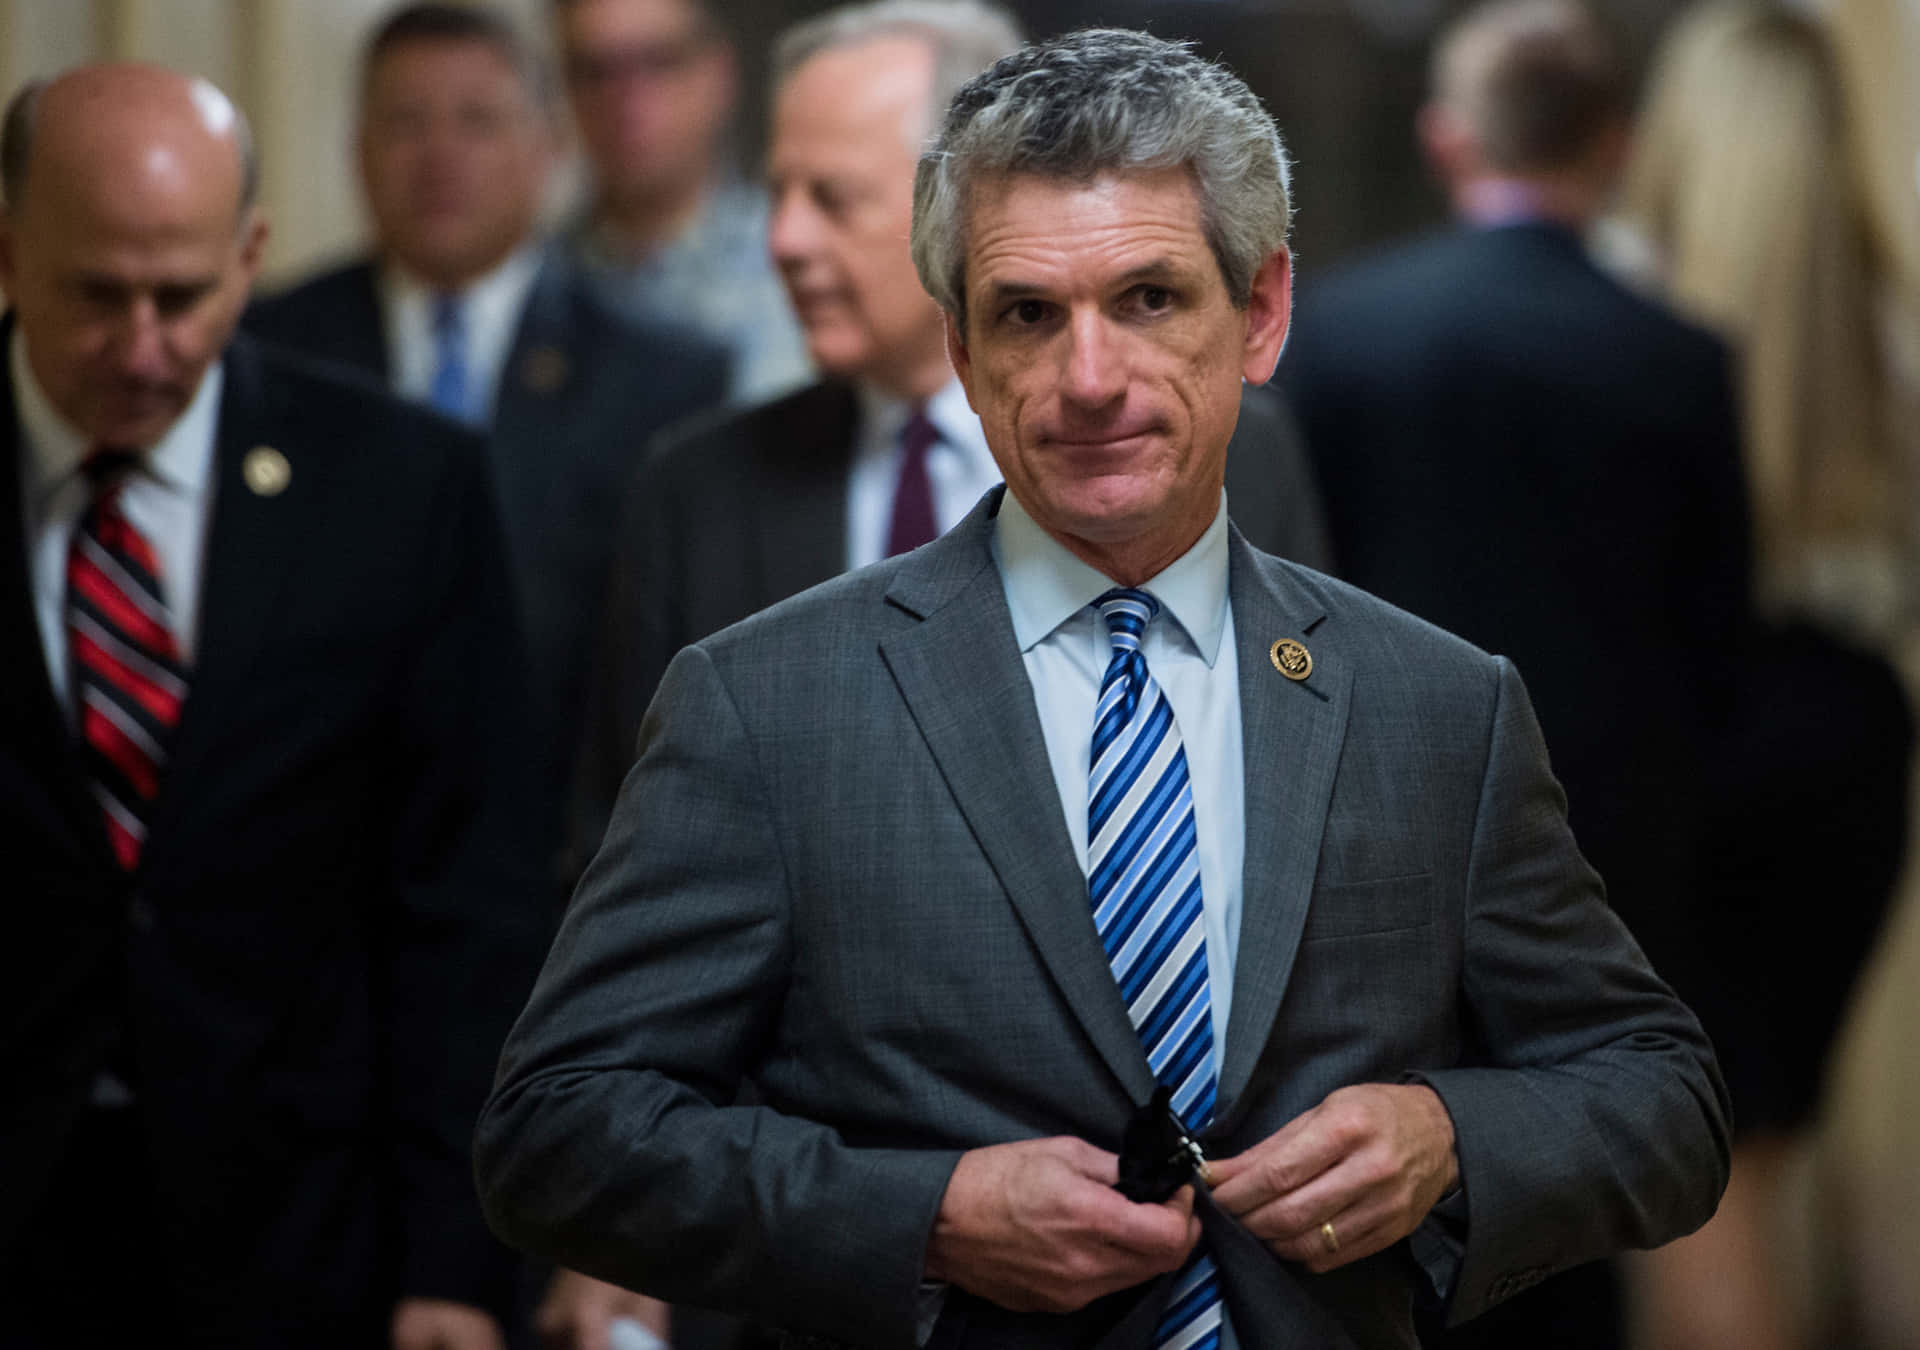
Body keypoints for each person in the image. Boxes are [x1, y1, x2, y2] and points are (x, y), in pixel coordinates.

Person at [476, 27, 1729, 1349]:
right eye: (1029, 313)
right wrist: (924, 1212)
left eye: (1148, 298)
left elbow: (1664, 1095)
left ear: (1259, 315)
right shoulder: (768, 703)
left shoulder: (1437, 706)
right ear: (962, 350)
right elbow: (555, 1126)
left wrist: (1450, 1135)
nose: (1089, 379)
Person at [0, 64, 544, 1349]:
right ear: (10, 252)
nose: (143, 346)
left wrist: (458, 1265)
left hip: (305, 1235)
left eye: (183, 296)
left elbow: (469, 901)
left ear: (248, 256)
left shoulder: (403, 486)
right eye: (95, 294)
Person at [571, 0, 1331, 859]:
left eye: (833, 197)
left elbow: (1304, 766)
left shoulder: (1219, 446)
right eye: (777, 191)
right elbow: (627, 841)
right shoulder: (697, 486)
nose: (784, 238)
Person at [1279, 8, 1752, 1340]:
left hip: (1359, 857)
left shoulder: (1340, 335)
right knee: (1567, 1220)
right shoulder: (1684, 361)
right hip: (1614, 865)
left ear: (1445, 141)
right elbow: (1719, 654)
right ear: (1618, 145)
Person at [246, 1, 728, 895]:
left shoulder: (662, 376)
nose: (440, 155)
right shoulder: (269, 350)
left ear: (550, 145)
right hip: (301, 873)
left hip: (557, 876)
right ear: (356, 150)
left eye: (477, 120)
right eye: (406, 122)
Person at [1610, 6, 1914, 1346]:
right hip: (1855, 738)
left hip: (1681, 743)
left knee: (1702, 1190)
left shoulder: (1616, 319)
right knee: (1807, 1155)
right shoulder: (1884, 328)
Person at [554, 0, 811, 403]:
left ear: (719, 71)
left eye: (657, 61)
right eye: (597, 71)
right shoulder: (535, 280)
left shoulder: (800, 263)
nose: (626, 97)